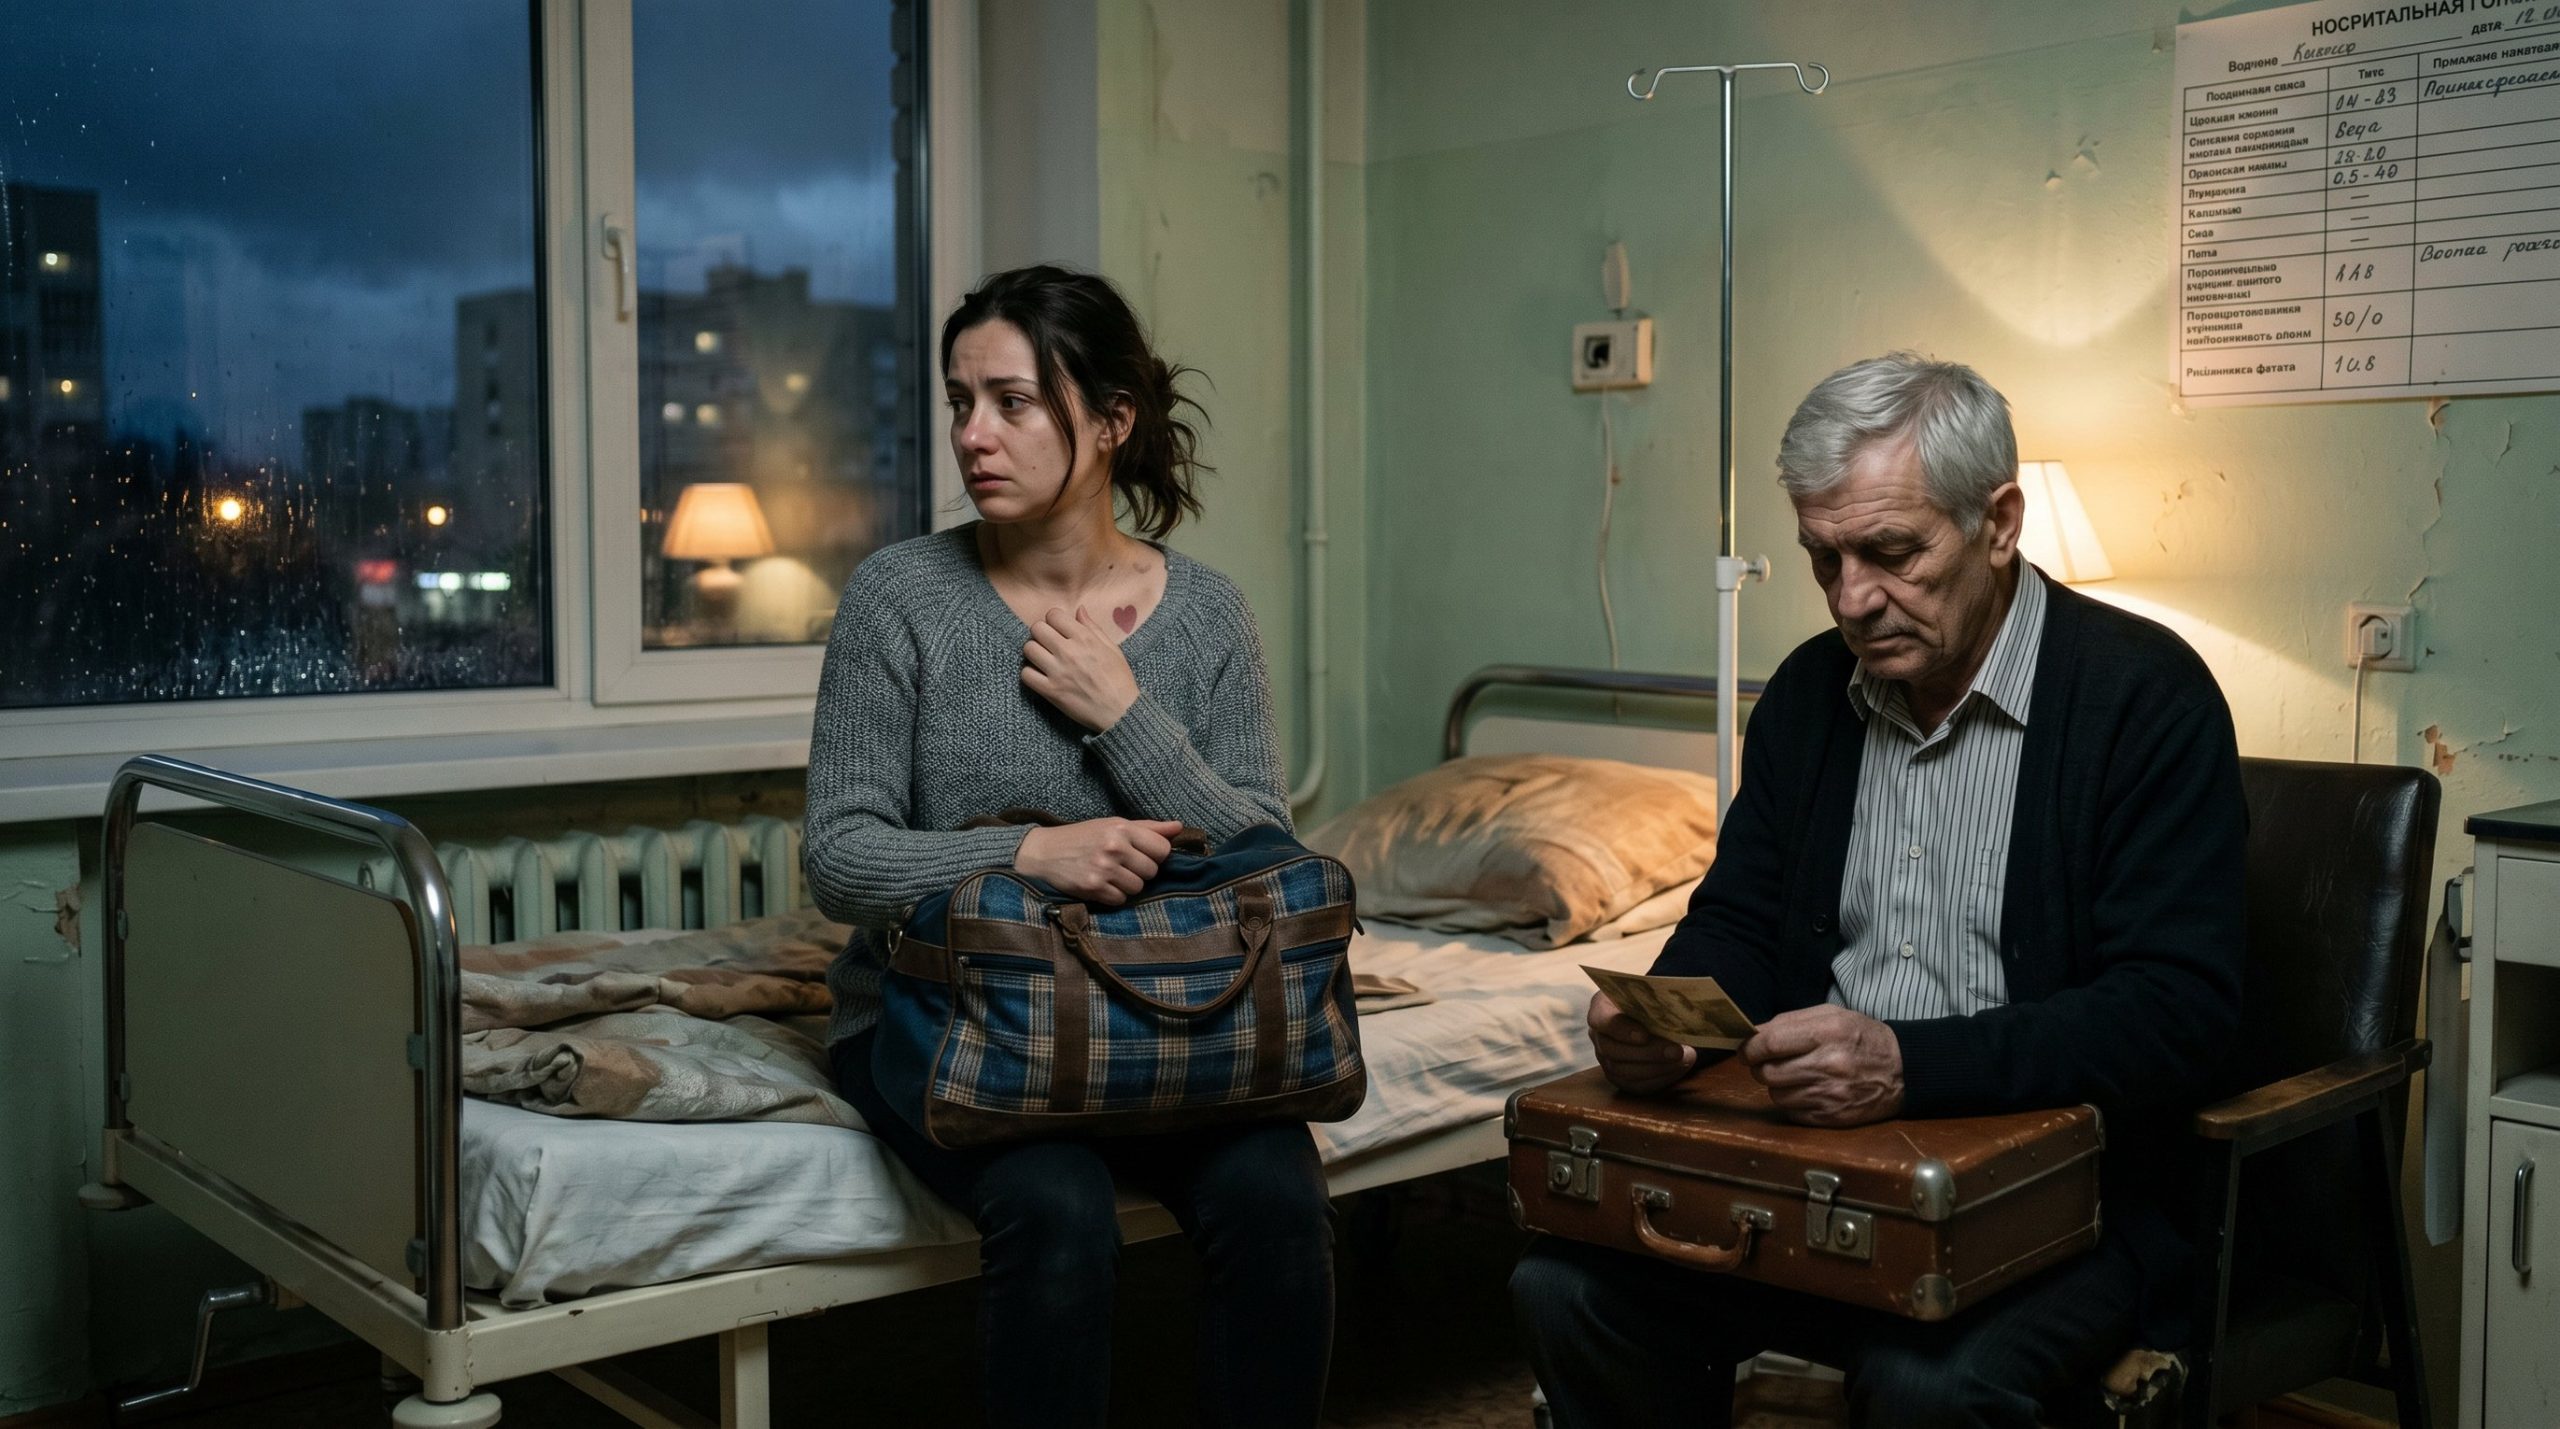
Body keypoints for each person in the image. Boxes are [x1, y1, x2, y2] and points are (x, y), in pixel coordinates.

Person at [1511, 352, 2247, 1429]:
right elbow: (1740, 918)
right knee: (1568, 1291)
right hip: (1820, 1175)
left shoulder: (2144, 698)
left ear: (1999, 524)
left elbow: (2178, 1014)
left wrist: (1909, 1064)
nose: (1853, 599)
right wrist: (1670, 1024)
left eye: (1893, 553)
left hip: (2070, 1197)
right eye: (1825, 559)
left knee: (1926, 1382)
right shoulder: (1809, 695)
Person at [805, 265, 1331, 1429]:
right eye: (960, 402)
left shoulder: (1207, 614)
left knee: (1278, 1193)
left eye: (1011, 402)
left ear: (1110, 420)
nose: (971, 435)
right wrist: (1028, 858)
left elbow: (1267, 860)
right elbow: (838, 857)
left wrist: (1122, 714)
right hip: (943, 1016)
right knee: (1057, 1204)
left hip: (1174, 1015)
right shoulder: (899, 597)